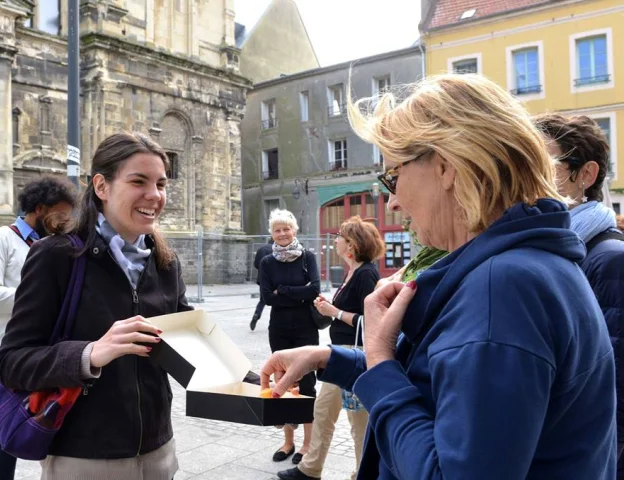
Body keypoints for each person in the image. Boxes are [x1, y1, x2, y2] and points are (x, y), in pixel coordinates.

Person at [260, 74, 616, 480]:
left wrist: (378, 357)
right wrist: (329, 357)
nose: (391, 201)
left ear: (446, 165)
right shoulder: (526, 265)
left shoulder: (503, 289)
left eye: (392, 177)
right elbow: (444, 387)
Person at [0, 132, 191, 479]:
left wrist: (253, 383)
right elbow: (13, 362)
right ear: (101, 187)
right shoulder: (57, 256)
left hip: (159, 452)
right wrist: (90, 353)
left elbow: (191, 345)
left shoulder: (165, 261)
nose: (155, 195)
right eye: (138, 181)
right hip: (84, 458)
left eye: (161, 183)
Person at [535, 113, 624, 475]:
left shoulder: (610, 261)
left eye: (543, 162)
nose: (529, 174)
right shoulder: (547, 250)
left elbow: (615, 396)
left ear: (585, 175)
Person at [0, 176, 77, 480]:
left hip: (49, 348)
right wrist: (36, 297)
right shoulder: (1, 239)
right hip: (9, 348)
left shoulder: (53, 246)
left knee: (51, 420)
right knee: (6, 426)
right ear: (40, 209)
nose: (65, 221)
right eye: (60, 214)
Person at [278, 215, 384, 480]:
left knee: (358, 420)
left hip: (354, 354)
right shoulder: (353, 272)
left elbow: (372, 320)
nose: (335, 240)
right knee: (323, 412)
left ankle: (364, 472)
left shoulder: (367, 274)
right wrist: (328, 309)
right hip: (338, 353)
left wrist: (335, 312)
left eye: (339, 236)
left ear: (351, 244)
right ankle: (310, 469)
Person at [260, 209, 319, 463]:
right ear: (272, 234)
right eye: (277, 230)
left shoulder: (308, 257)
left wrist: (282, 290)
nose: (282, 234)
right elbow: (266, 298)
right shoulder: (266, 262)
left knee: (306, 384)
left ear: (294, 230)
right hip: (280, 329)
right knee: (282, 381)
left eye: (286, 229)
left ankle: (307, 444)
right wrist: (299, 291)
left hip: (306, 328)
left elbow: (315, 289)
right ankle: (287, 442)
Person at [250, 238, 274, 331]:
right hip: (275, 278)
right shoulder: (277, 249)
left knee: (262, 300)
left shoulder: (261, 249)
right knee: (276, 301)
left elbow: (256, 264)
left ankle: (257, 314)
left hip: (263, 279)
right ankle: (273, 323)